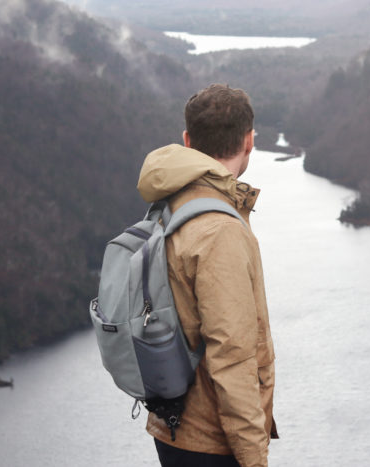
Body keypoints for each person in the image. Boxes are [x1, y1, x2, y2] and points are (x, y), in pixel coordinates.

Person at [137, 84, 277, 467]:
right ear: (249, 141)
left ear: (187, 140)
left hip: (174, 427)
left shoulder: (174, 200)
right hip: (211, 443)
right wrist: (254, 459)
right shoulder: (220, 230)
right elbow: (231, 358)